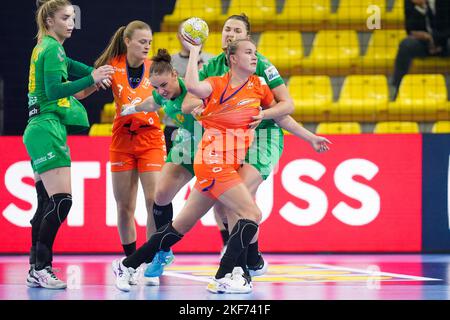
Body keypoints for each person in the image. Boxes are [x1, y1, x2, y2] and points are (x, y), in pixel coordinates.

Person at [112, 38, 292, 294]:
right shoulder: (216, 84)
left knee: (178, 227)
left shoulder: (258, 86)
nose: (255, 57)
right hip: (212, 161)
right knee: (251, 214)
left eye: (255, 52)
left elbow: (285, 112)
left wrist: (306, 136)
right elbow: (193, 87)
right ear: (232, 59)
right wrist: (195, 50)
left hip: (224, 164)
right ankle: (225, 275)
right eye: (248, 52)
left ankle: (126, 265)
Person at [188, 13, 331, 276]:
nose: (229, 34)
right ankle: (252, 260)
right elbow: (188, 103)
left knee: (236, 198)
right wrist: (201, 107)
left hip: (264, 137)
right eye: (226, 29)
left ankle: (239, 269)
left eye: (236, 31)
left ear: (247, 39)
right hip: (232, 139)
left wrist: (264, 116)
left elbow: (287, 105)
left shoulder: (261, 65)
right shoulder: (213, 65)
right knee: (227, 203)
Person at [24, 0, 114, 289]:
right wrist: (92, 77)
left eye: (73, 17)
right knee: (62, 202)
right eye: (65, 18)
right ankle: (42, 267)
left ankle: (35, 267)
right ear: (49, 21)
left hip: (41, 127)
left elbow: (76, 69)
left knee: (46, 203)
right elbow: (53, 90)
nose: (71, 22)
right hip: (46, 128)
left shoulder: (52, 49)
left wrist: (98, 76)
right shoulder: (50, 48)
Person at [94, 21, 170, 286]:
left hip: (151, 139)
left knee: (153, 201)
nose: (147, 46)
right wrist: (92, 81)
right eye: (141, 41)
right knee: (124, 206)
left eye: (149, 41)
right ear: (127, 41)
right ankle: (130, 263)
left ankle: (148, 261)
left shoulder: (157, 68)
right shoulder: (112, 66)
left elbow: (172, 95)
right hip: (122, 140)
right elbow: (86, 88)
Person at [119, 48, 200, 283]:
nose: (161, 91)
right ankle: (164, 253)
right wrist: (132, 108)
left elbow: (200, 102)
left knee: (224, 209)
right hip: (186, 146)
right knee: (160, 195)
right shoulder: (161, 95)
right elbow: (150, 104)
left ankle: (241, 260)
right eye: (156, 87)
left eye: (164, 84)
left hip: (211, 147)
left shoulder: (193, 88)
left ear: (175, 74)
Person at [392, 0, 450, 95]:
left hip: (444, 41)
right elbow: (410, 29)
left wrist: (434, 39)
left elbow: (447, 28)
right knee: (406, 45)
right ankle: (396, 89)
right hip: (423, 43)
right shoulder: (411, 2)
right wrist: (421, 8)